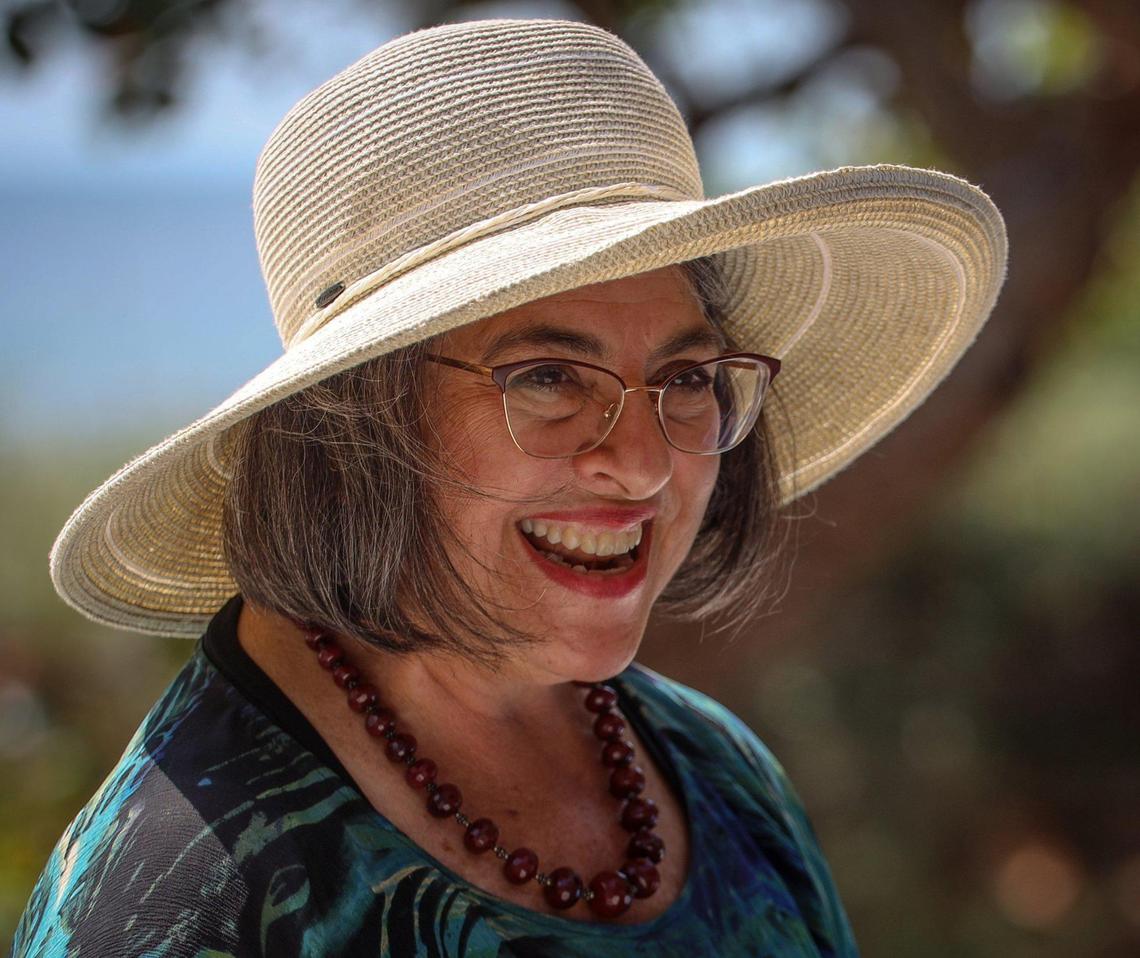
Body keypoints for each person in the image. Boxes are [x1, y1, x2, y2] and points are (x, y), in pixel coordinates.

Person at [11, 17, 1006, 958]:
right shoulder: (172, 899)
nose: (646, 464)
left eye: (687, 378)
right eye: (548, 377)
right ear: (350, 427)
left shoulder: (719, 771)